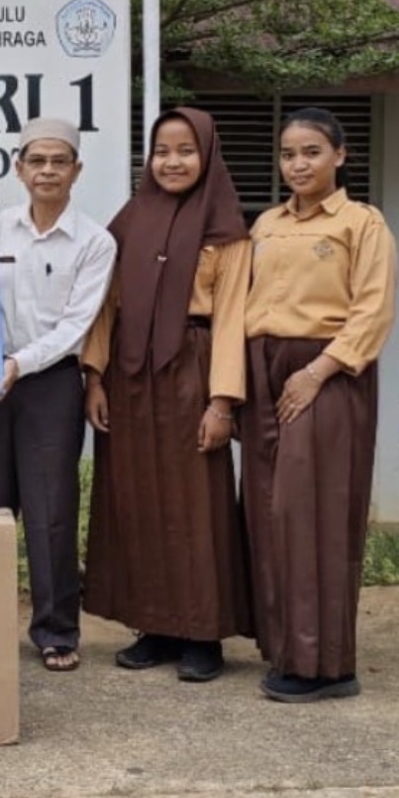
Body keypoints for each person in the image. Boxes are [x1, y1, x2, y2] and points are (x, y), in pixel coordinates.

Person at [82, 107, 253, 683]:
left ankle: (202, 632)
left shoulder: (225, 229)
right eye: (161, 151)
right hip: (129, 376)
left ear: (208, 155)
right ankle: (152, 625)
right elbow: (105, 304)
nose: (172, 162)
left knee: (195, 504)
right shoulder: (130, 222)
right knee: (135, 498)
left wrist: (222, 401)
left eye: (185, 150)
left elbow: (232, 318)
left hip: (192, 370)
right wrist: (94, 377)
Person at [241, 108, 396, 703]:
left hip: (327, 372)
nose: (298, 164)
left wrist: (316, 373)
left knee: (314, 512)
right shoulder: (266, 224)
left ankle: (325, 664)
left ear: (340, 155)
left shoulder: (362, 223)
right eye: (288, 154)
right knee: (270, 512)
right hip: (264, 368)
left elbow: (373, 311)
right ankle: (286, 648)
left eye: (311, 152)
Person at [0, 116, 117, 672]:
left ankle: (56, 631)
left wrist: (20, 363)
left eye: (59, 162)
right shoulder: (1, 228)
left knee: (51, 509)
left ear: (76, 170)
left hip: (52, 381)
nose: (47, 171)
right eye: (37, 161)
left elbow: (76, 326)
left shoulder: (95, 242)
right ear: (19, 169)